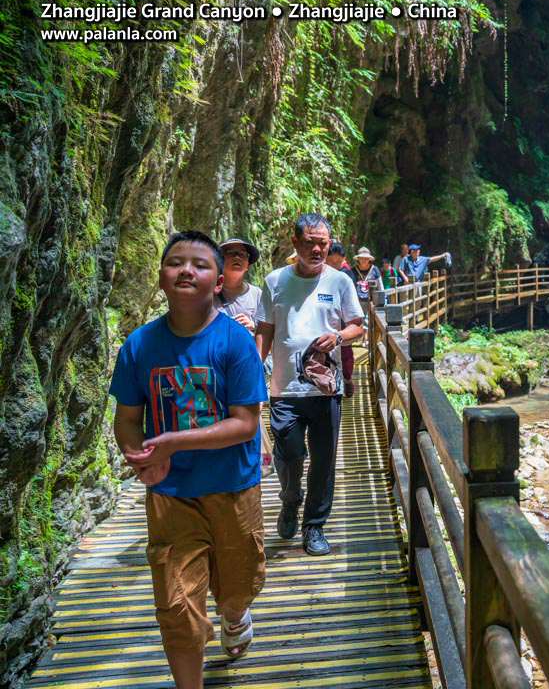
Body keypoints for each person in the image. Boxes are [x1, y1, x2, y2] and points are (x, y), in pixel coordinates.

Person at [109, 231, 268, 686]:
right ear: (161, 277)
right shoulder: (139, 345)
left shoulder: (234, 343)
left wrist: (174, 442)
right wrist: (139, 454)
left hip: (233, 487)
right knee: (177, 605)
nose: (185, 270)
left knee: (238, 584)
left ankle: (235, 615)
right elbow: (128, 418)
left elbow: (245, 423)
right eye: (175, 262)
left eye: (199, 264)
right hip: (171, 494)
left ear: (218, 281)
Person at [254, 214, 365, 556]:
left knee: (323, 460)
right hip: (284, 388)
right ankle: (290, 500)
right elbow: (265, 331)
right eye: (311, 242)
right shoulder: (275, 282)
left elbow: (357, 326)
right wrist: (255, 371)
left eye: (323, 243)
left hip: (325, 389)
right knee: (289, 455)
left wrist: (337, 336)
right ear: (296, 244)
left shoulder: (340, 282)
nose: (318, 249)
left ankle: (314, 526)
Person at [217, 237, 274, 478]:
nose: (238, 257)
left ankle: (260, 462)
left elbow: (271, 333)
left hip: (253, 365)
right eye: (230, 253)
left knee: (251, 408)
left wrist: (252, 327)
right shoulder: (208, 296)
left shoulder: (259, 295)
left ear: (249, 264)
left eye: (243, 254)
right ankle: (247, 462)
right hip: (220, 367)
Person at [325, 241, 355, 399]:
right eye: (331, 261)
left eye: (338, 261)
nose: (335, 265)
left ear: (343, 260)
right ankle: (328, 383)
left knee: (345, 352)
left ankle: (348, 379)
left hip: (344, 321)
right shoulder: (319, 274)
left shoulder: (346, 276)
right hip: (325, 320)